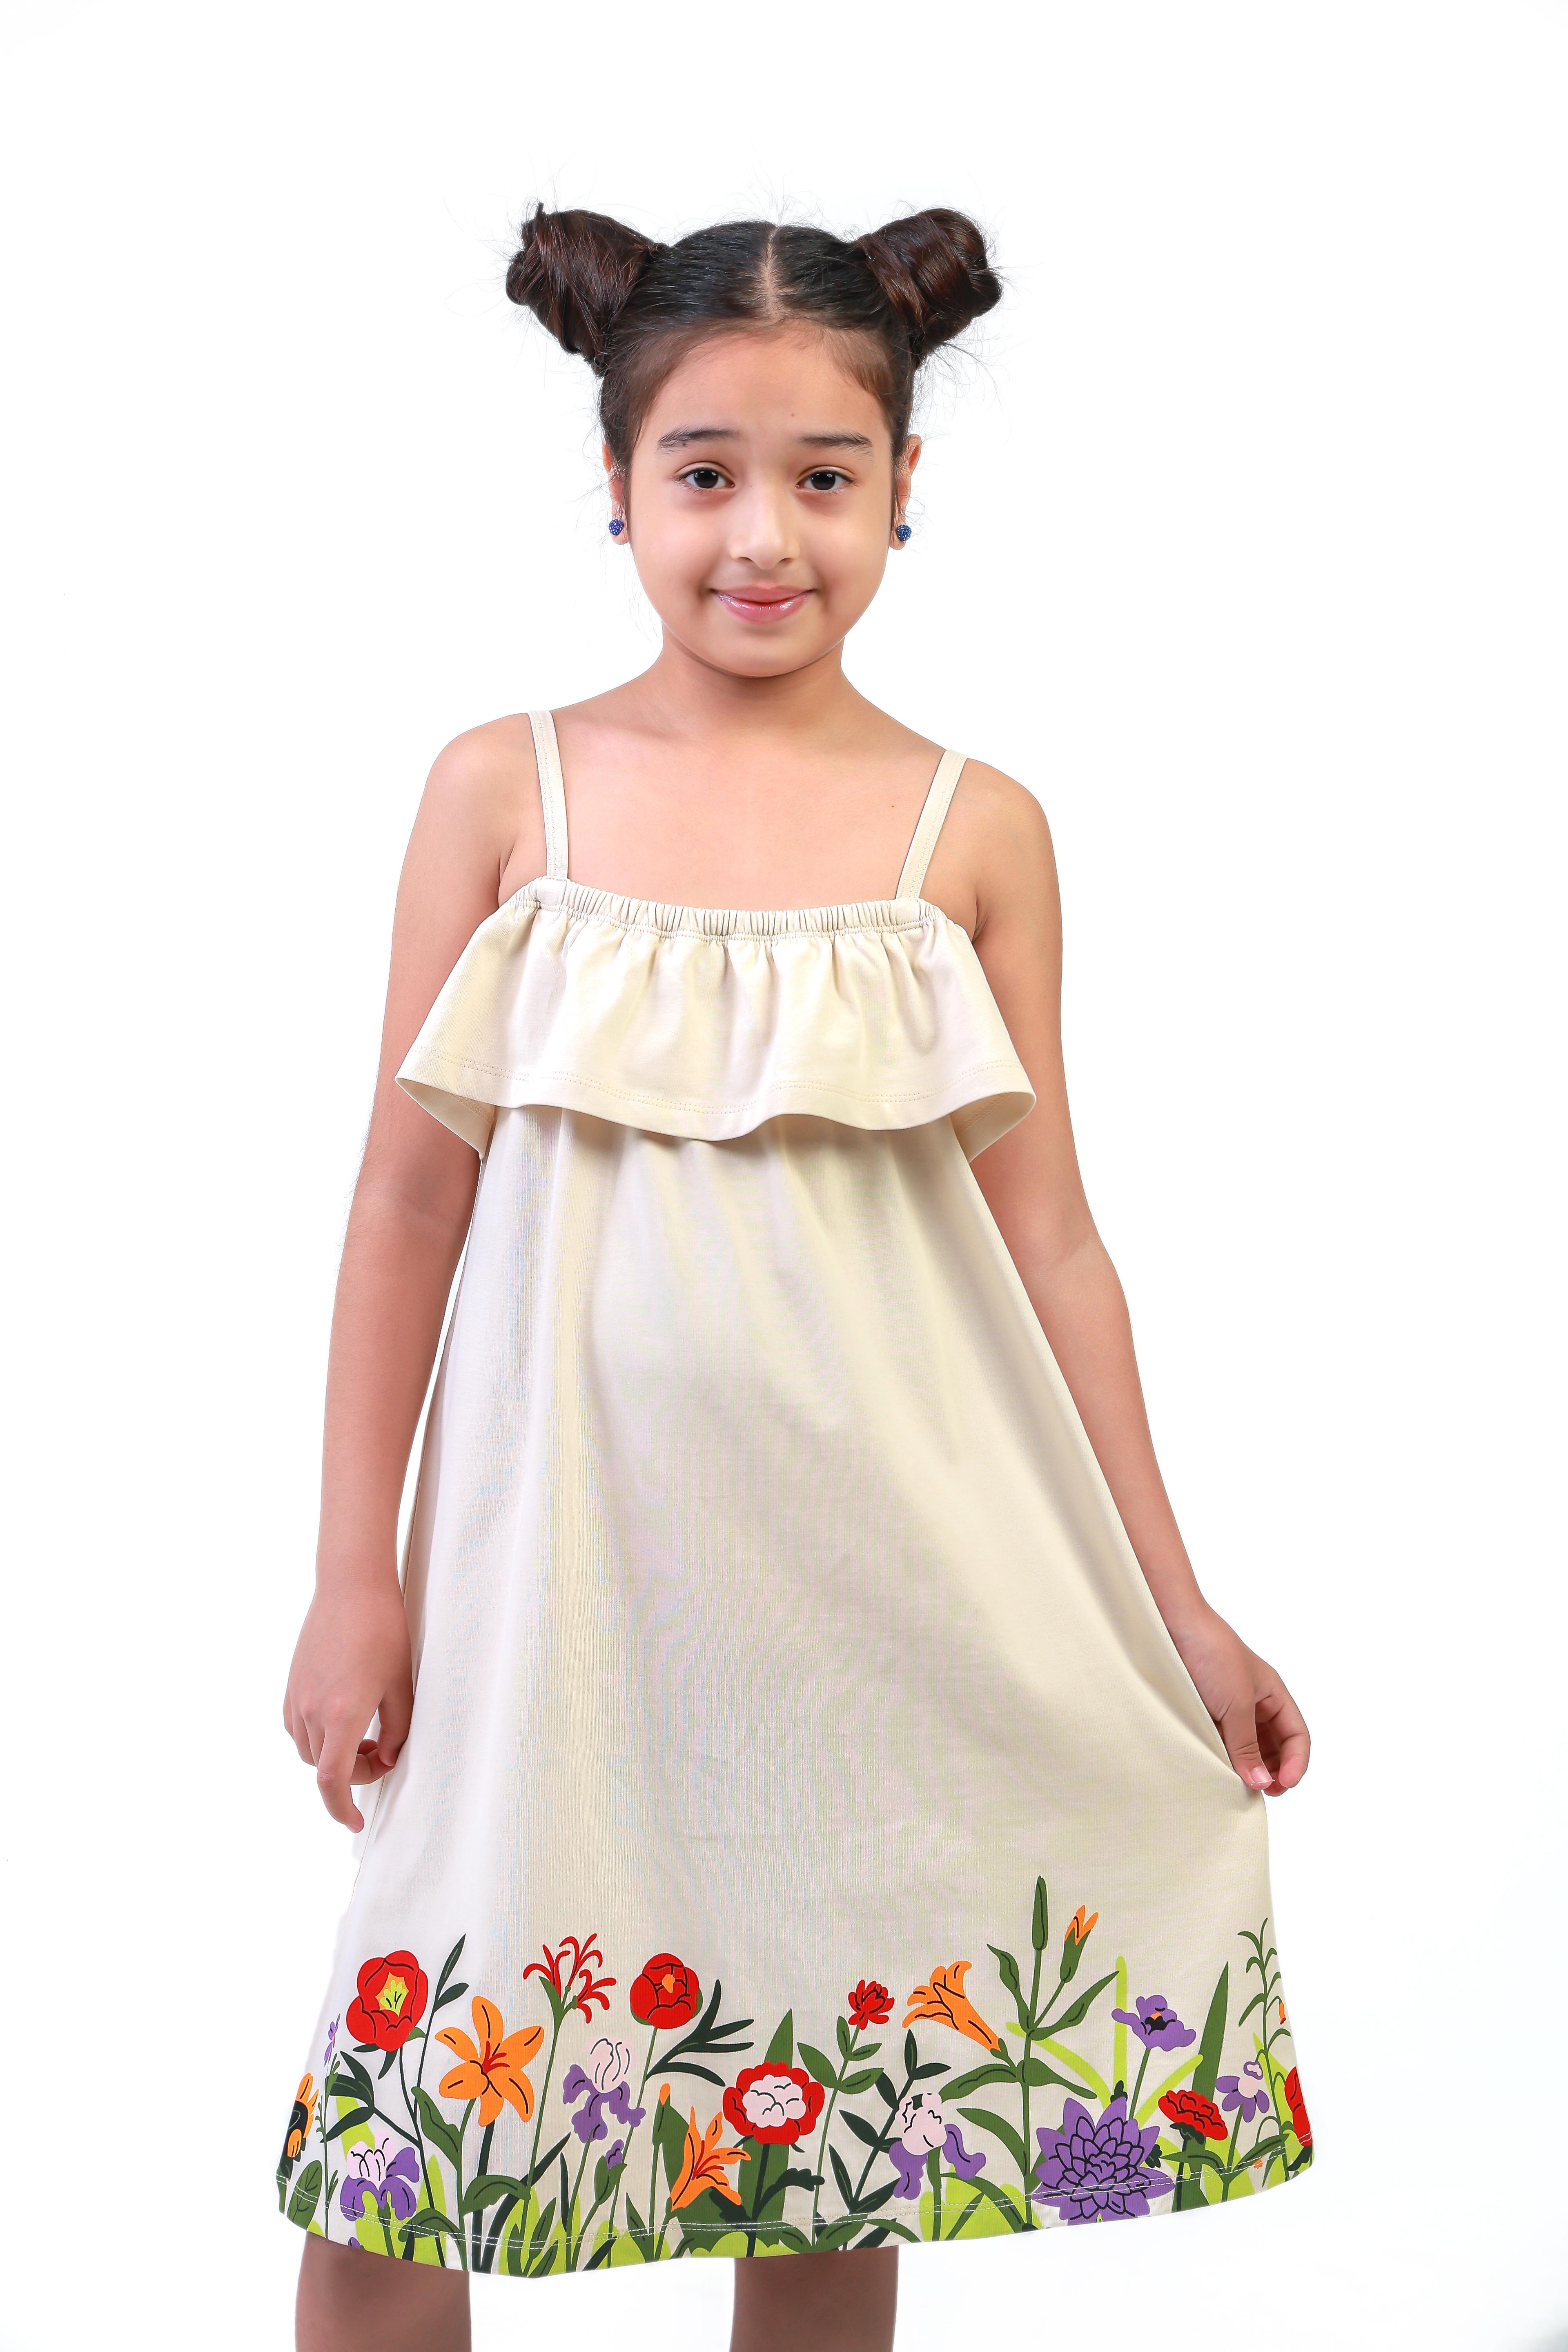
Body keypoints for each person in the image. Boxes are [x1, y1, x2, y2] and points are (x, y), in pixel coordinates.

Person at [279, 204, 1313, 2352]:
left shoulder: (971, 830)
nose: (766, 535)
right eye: (706, 472)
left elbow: (1053, 1239)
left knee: (827, 2131)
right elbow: (402, 1203)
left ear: (905, 485)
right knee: (407, 2150)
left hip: (867, 1591)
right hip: (548, 1585)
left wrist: (1180, 1603)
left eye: (825, 475)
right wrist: (352, 1572)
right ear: (618, 482)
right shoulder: (507, 794)